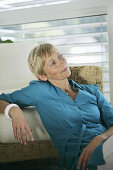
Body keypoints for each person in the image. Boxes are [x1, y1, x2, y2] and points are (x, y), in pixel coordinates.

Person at [0, 43, 113, 170]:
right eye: (52, 63)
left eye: (60, 56)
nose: (61, 62)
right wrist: (14, 111)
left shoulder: (92, 91)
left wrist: (102, 137)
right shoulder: (39, 90)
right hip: (87, 159)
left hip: (107, 142)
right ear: (43, 76)